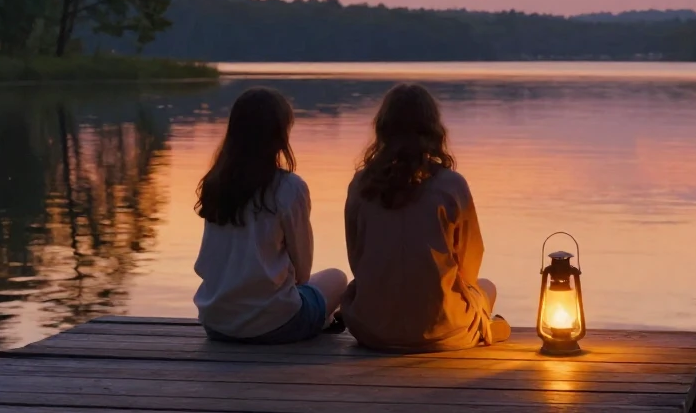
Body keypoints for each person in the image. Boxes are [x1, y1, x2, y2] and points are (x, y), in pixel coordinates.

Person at [340, 83, 511, 352]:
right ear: (433, 130)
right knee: (486, 286)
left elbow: (356, 257)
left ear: (382, 128)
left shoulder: (361, 184)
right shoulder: (452, 185)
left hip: (372, 331)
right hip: (442, 332)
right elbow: (470, 263)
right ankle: (484, 326)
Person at [193, 87, 348, 343]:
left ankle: (317, 319)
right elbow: (304, 271)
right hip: (276, 324)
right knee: (337, 277)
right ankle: (321, 321)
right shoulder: (289, 187)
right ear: (280, 135)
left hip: (216, 324)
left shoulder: (215, 184)